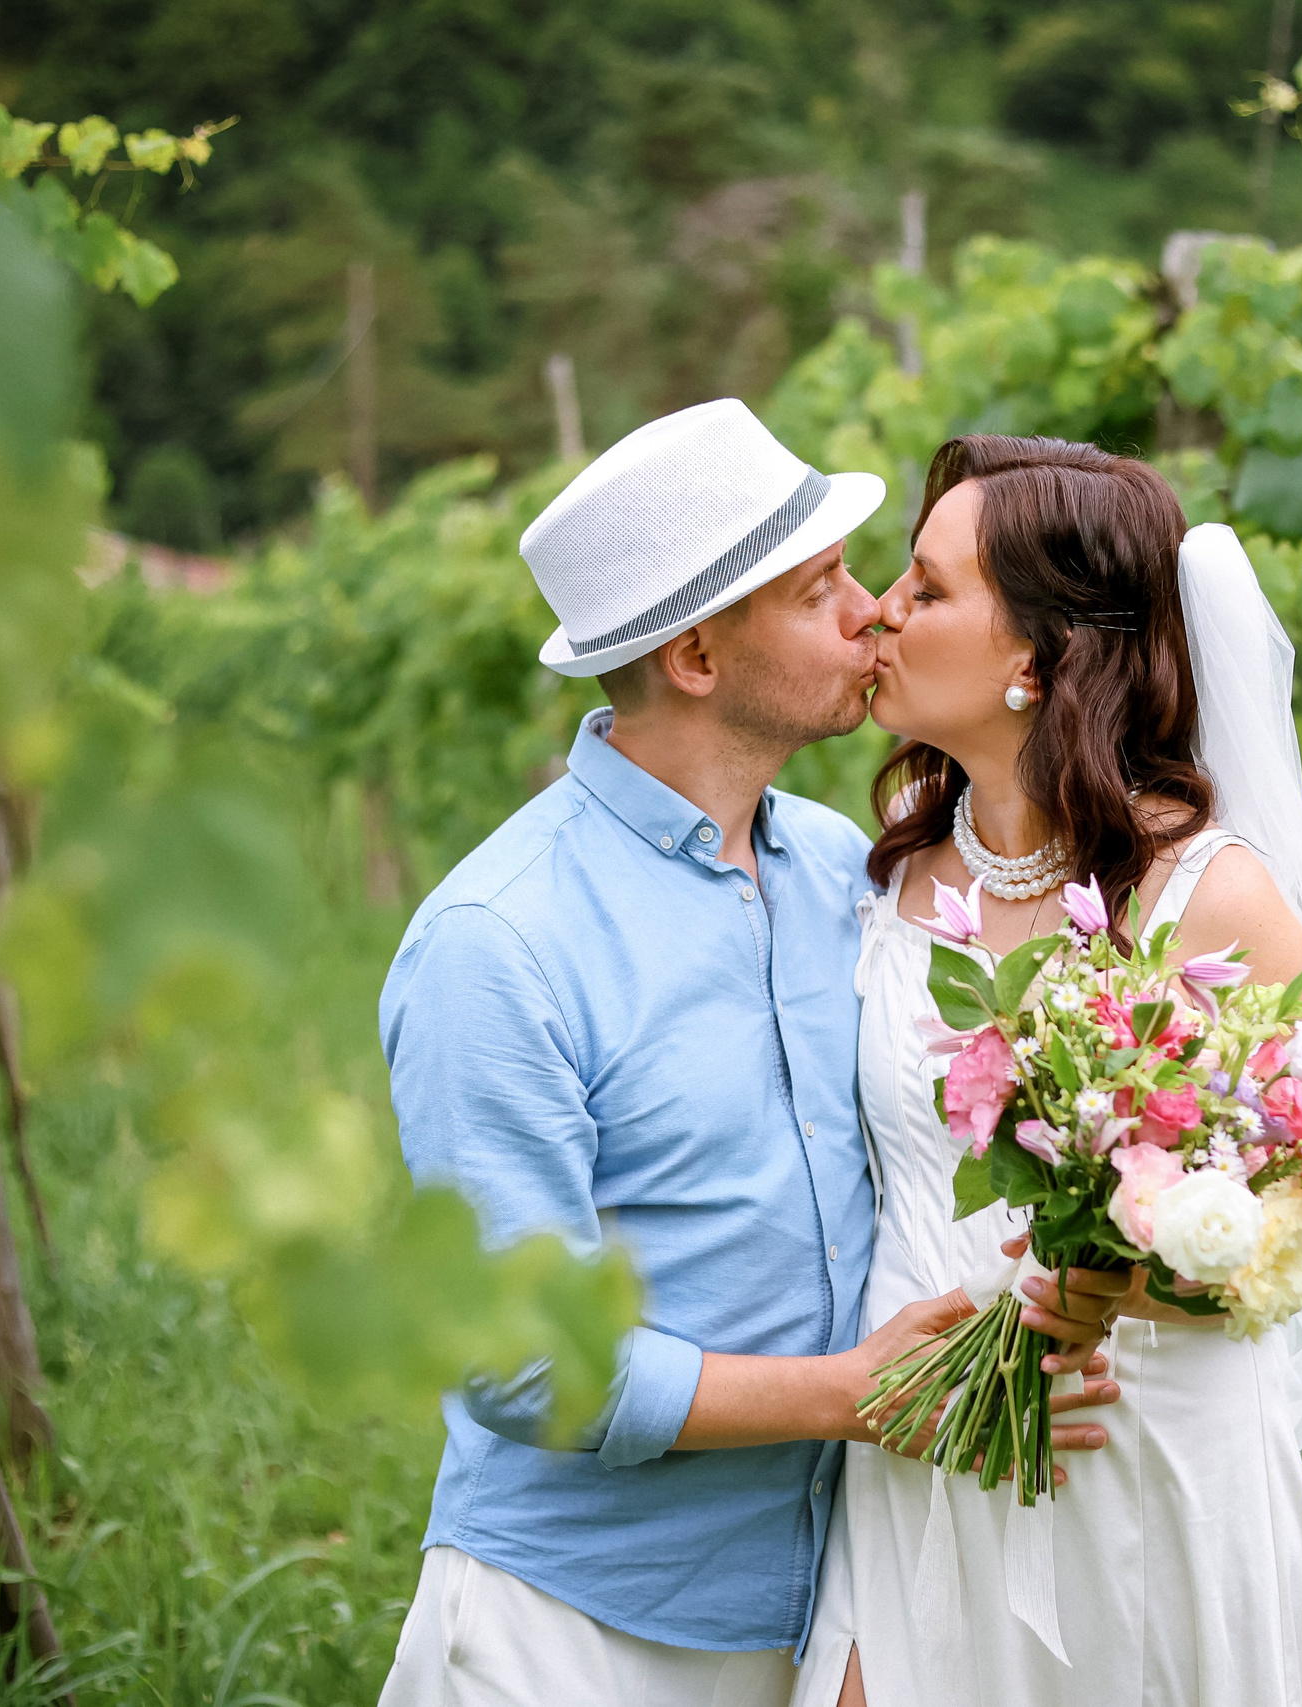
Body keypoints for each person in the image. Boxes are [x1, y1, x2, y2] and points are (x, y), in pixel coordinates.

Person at [374, 400, 1128, 1707]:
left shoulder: (844, 867)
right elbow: (521, 1360)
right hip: (571, 1627)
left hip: (819, 1608)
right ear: (696, 657)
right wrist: (851, 1394)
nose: (871, 611)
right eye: (817, 588)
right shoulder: (498, 942)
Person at [795, 435, 1302, 1707]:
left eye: (928, 588)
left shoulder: (1214, 901)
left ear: (1037, 662)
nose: (880, 609)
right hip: (914, 1434)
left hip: (1135, 1457)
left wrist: (1109, 1285)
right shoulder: (888, 871)